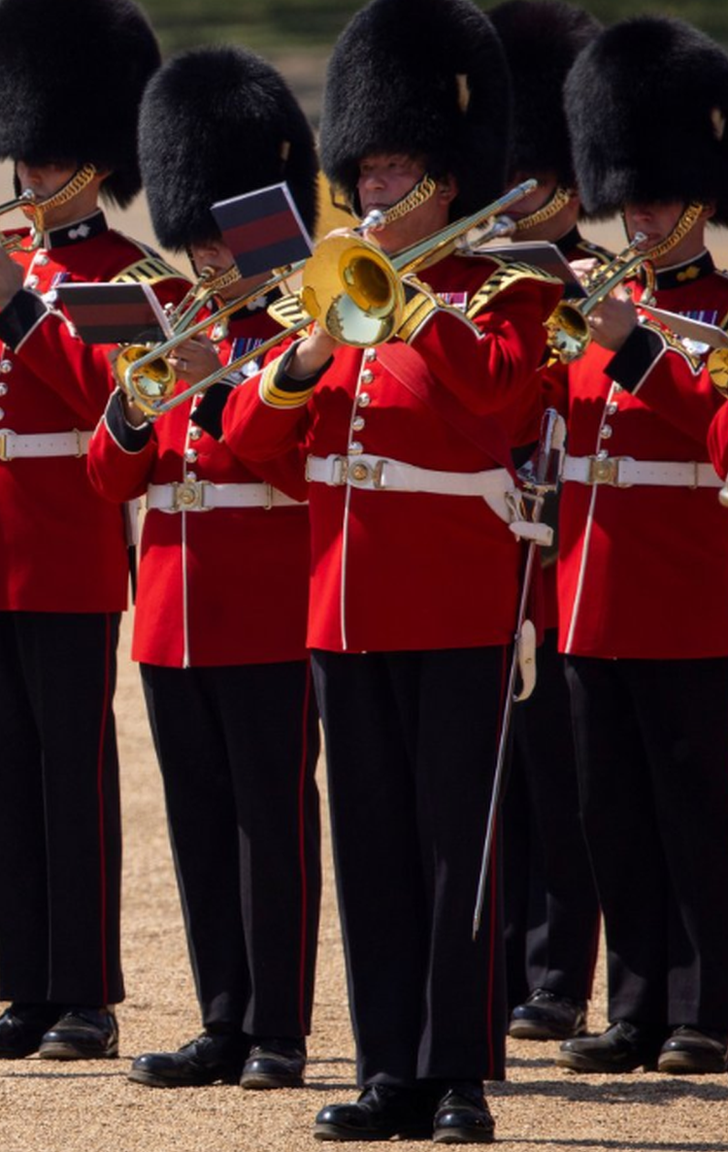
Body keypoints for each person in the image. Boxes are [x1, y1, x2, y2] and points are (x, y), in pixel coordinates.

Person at [220, 0, 563, 1139]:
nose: (373, 192)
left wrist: (406, 303)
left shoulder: (511, 286)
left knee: (450, 845)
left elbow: (499, 402)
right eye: (362, 170)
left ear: (444, 176)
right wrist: (305, 353)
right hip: (342, 600)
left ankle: (458, 1072)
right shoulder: (326, 286)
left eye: (397, 169)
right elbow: (248, 448)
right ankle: (387, 1073)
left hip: (455, 593)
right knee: (365, 841)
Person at [0, 0, 185, 1063]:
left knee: (71, 769)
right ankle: (23, 990)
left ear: (95, 165)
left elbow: (108, 394)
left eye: (48, 158)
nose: (27, 174)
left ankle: (84, 993)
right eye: (21, 155)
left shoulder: (131, 280)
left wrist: (13, 301)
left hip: (66, 543)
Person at [87, 44, 321, 1092]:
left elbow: (265, 452)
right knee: (195, 825)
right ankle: (220, 1017)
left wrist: (209, 379)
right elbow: (106, 476)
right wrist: (136, 401)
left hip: (266, 607)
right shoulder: (175, 328)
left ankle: (279, 1026)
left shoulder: (295, 334)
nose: (204, 261)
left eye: (216, 243)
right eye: (194, 244)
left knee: (270, 822)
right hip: (171, 606)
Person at [552, 14, 728, 1078]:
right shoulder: (593, 309)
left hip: (685, 594)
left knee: (695, 814)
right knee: (607, 815)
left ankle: (706, 1006)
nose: (638, 213)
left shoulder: (714, 315)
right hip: (588, 595)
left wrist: (632, 356)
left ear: (700, 197)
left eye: (656, 195)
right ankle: (633, 1008)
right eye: (626, 195)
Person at [485, 0, 605, 1047]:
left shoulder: (595, 283)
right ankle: (512, 957)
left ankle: (558, 972)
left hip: (572, 543)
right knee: (502, 765)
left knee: (563, 771)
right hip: (487, 541)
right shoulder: (482, 281)